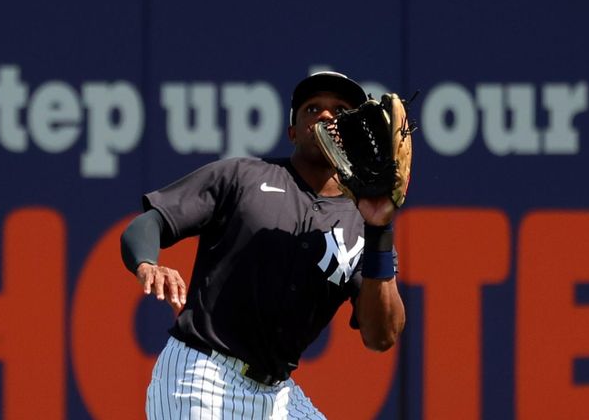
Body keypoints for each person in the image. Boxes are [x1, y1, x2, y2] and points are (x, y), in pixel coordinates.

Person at [120, 71, 406, 418]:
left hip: (277, 394)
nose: (327, 116)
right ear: (293, 132)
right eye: (312, 109)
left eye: (340, 110)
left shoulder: (363, 224)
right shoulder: (243, 176)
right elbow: (150, 223)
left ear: (357, 132)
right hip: (201, 373)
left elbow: (381, 336)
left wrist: (378, 230)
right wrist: (147, 263)